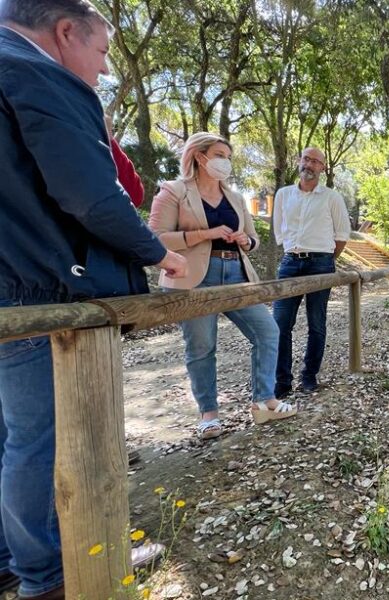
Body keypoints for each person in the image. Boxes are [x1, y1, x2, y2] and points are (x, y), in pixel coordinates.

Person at [0, 1, 187, 598]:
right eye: (103, 53)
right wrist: (159, 255)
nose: (104, 70)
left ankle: (13, 556)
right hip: (39, 289)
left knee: (10, 437)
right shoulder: (38, 74)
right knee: (42, 440)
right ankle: (53, 574)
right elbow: (91, 193)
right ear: (64, 32)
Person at [148, 133, 296, 440]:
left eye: (228, 156)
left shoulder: (236, 197)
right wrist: (204, 233)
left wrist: (246, 240)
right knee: (202, 346)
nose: (224, 162)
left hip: (236, 274)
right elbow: (155, 239)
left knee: (268, 331)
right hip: (193, 278)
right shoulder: (174, 191)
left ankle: (264, 400)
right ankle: (209, 415)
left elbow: (253, 240)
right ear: (199, 157)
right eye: (219, 154)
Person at [271, 148, 352, 397]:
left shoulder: (332, 198)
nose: (310, 164)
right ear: (299, 161)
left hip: (320, 263)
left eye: (316, 161)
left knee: (316, 323)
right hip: (290, 263)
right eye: (306, 159)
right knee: (279, 325)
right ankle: (282, 381)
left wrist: (325, 259)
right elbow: (279, 230)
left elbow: (341, 236)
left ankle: (309, 376)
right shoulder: (283, 195)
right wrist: (293, 252)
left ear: (323, 168)